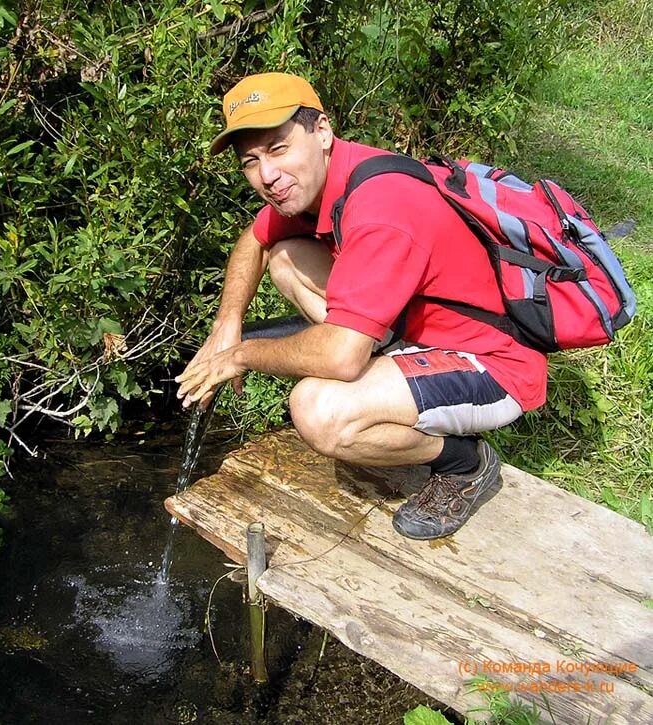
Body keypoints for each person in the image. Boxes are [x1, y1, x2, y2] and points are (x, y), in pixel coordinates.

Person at [175, 72, 548, 540]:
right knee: (287, 258)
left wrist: (240, 356)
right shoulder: (321, 181)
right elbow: (254, 238)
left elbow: (339, 358)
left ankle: (464, 463)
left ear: (323, 132)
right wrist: (226, 326)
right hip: (422, 331)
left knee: (319, 410)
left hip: (491, 362)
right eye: (251, 161)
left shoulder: (380, 206)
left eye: (278, 149)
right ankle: (379, 359)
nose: (267, 176)